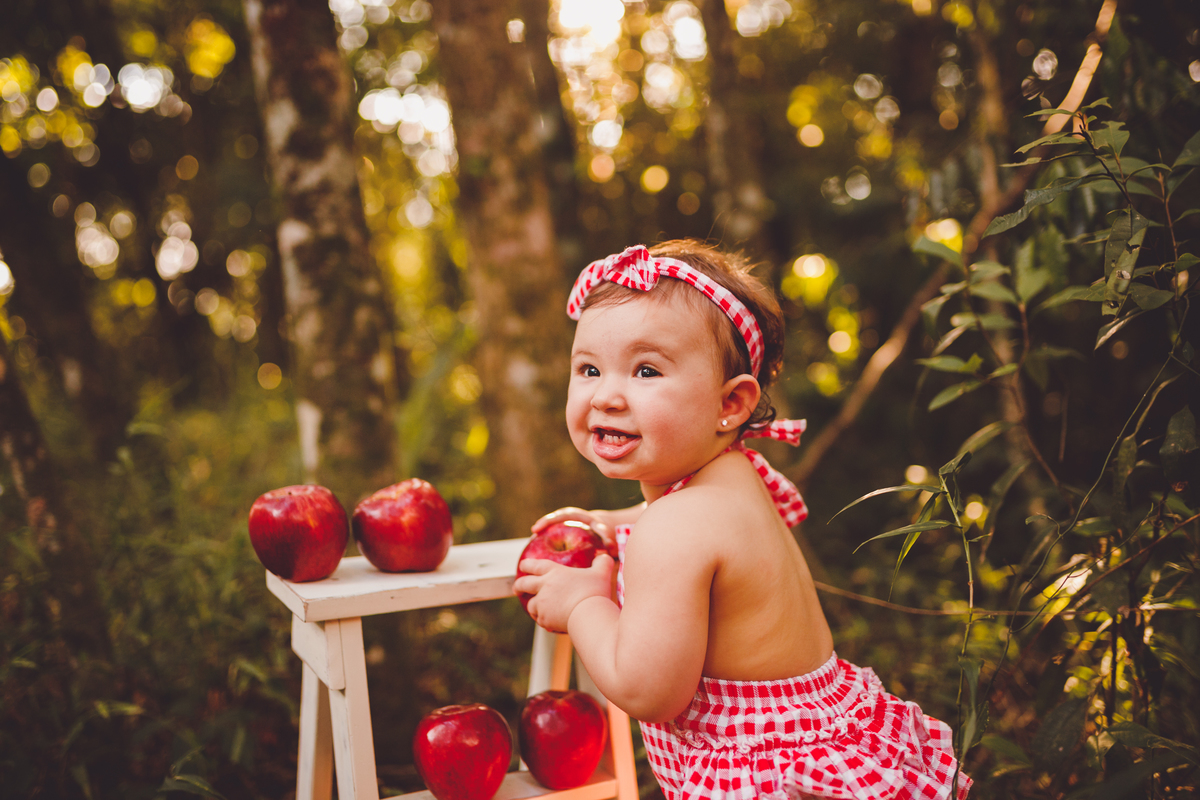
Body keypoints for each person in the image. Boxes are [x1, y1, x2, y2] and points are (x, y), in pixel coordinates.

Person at [513, 241, 972, 800]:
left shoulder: (675, 528)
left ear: (730, 405)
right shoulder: (736, 477)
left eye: (646, 370)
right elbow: (691, 528)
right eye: (588, 368)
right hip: (826, 743)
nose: (607, 395)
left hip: (766, 775)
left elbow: (647, 689)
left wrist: (584, 603)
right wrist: (616, 521)